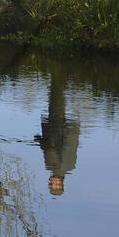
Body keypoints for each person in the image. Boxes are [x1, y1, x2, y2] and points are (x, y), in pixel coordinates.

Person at [35, 66, 79, 196]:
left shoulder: (71, 167)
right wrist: (39, 140)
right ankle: (58, 72)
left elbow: (72, 144)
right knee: (55, 93)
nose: (50, 182)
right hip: (56, 125)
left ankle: (61, 73)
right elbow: (50, 147)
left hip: (67, 127)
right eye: (53, 184)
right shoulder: (52, 166)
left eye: (50, 184)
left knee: (59, 95)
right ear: (60, 184)